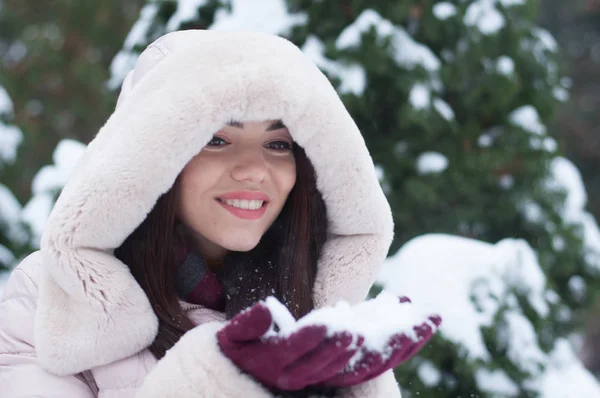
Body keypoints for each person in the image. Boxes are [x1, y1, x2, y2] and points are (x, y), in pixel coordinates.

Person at [0, 30, 440, 397]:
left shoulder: (310, 303)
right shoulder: (47, 301)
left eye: (279, 144)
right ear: (149, 157)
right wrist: (216, 382)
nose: (254, 170)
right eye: (215, 139)